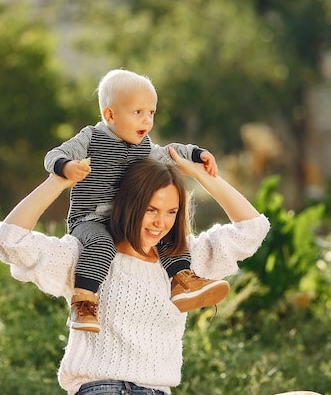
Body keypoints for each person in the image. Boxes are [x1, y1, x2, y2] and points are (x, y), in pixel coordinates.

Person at [0, 149, 270, 395]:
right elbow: (9, 241)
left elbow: (252, 229)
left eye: (170, 212)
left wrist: (201, 175)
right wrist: (59, 180)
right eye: (151, 210)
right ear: (128, 204)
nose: (160, 222)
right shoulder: (89, 256)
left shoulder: (183, 264)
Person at [44, 68, 228, 333]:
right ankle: (83, 302)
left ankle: (181, 280)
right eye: (138, 112)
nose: (147, 120)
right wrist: (67, 167)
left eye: (151, 112)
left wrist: (197, 154)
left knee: (166, 232)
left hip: (126, 218)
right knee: (101, 245)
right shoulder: (91, 138)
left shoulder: (142, 145)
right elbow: (54, 155)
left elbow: (167, 153)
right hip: (90, 218)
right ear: (110, 115)